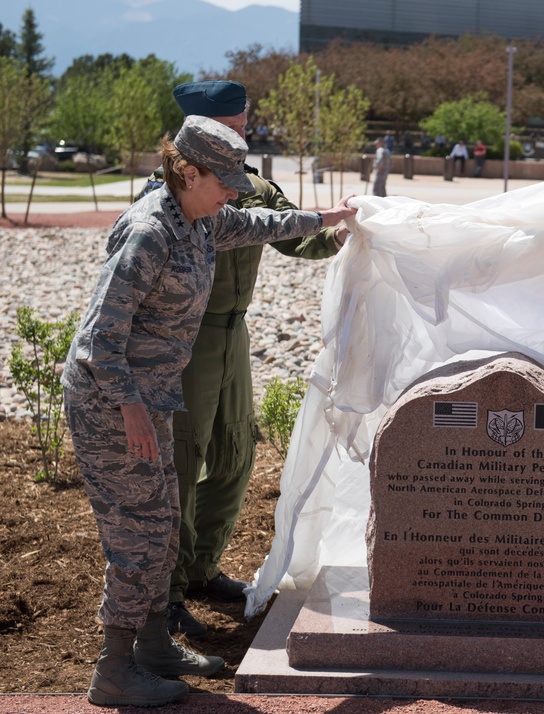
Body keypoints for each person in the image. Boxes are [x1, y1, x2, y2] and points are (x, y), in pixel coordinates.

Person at [63, 115, 357, 707]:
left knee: (164, 524)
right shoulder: (151, 231)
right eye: (222, 180)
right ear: (187, 171)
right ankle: (113, 671)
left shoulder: (199, 218)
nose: (231, 190)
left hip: (148, 398)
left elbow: (254, 223)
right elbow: (100, 340)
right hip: (112, 403)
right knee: (139, 538)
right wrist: (131, 409)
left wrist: (327, 220)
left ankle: (151, 647)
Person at [134, 80, 349, 639]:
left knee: (233, 456)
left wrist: (346, 233)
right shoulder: (169, 191)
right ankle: (170, 591)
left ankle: (202, 568)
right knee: (181, 463)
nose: (243, 129)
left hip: (233, 335)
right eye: (233, 123)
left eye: (243, 121)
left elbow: (292, 232)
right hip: (186, 341)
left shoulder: (251, 188)